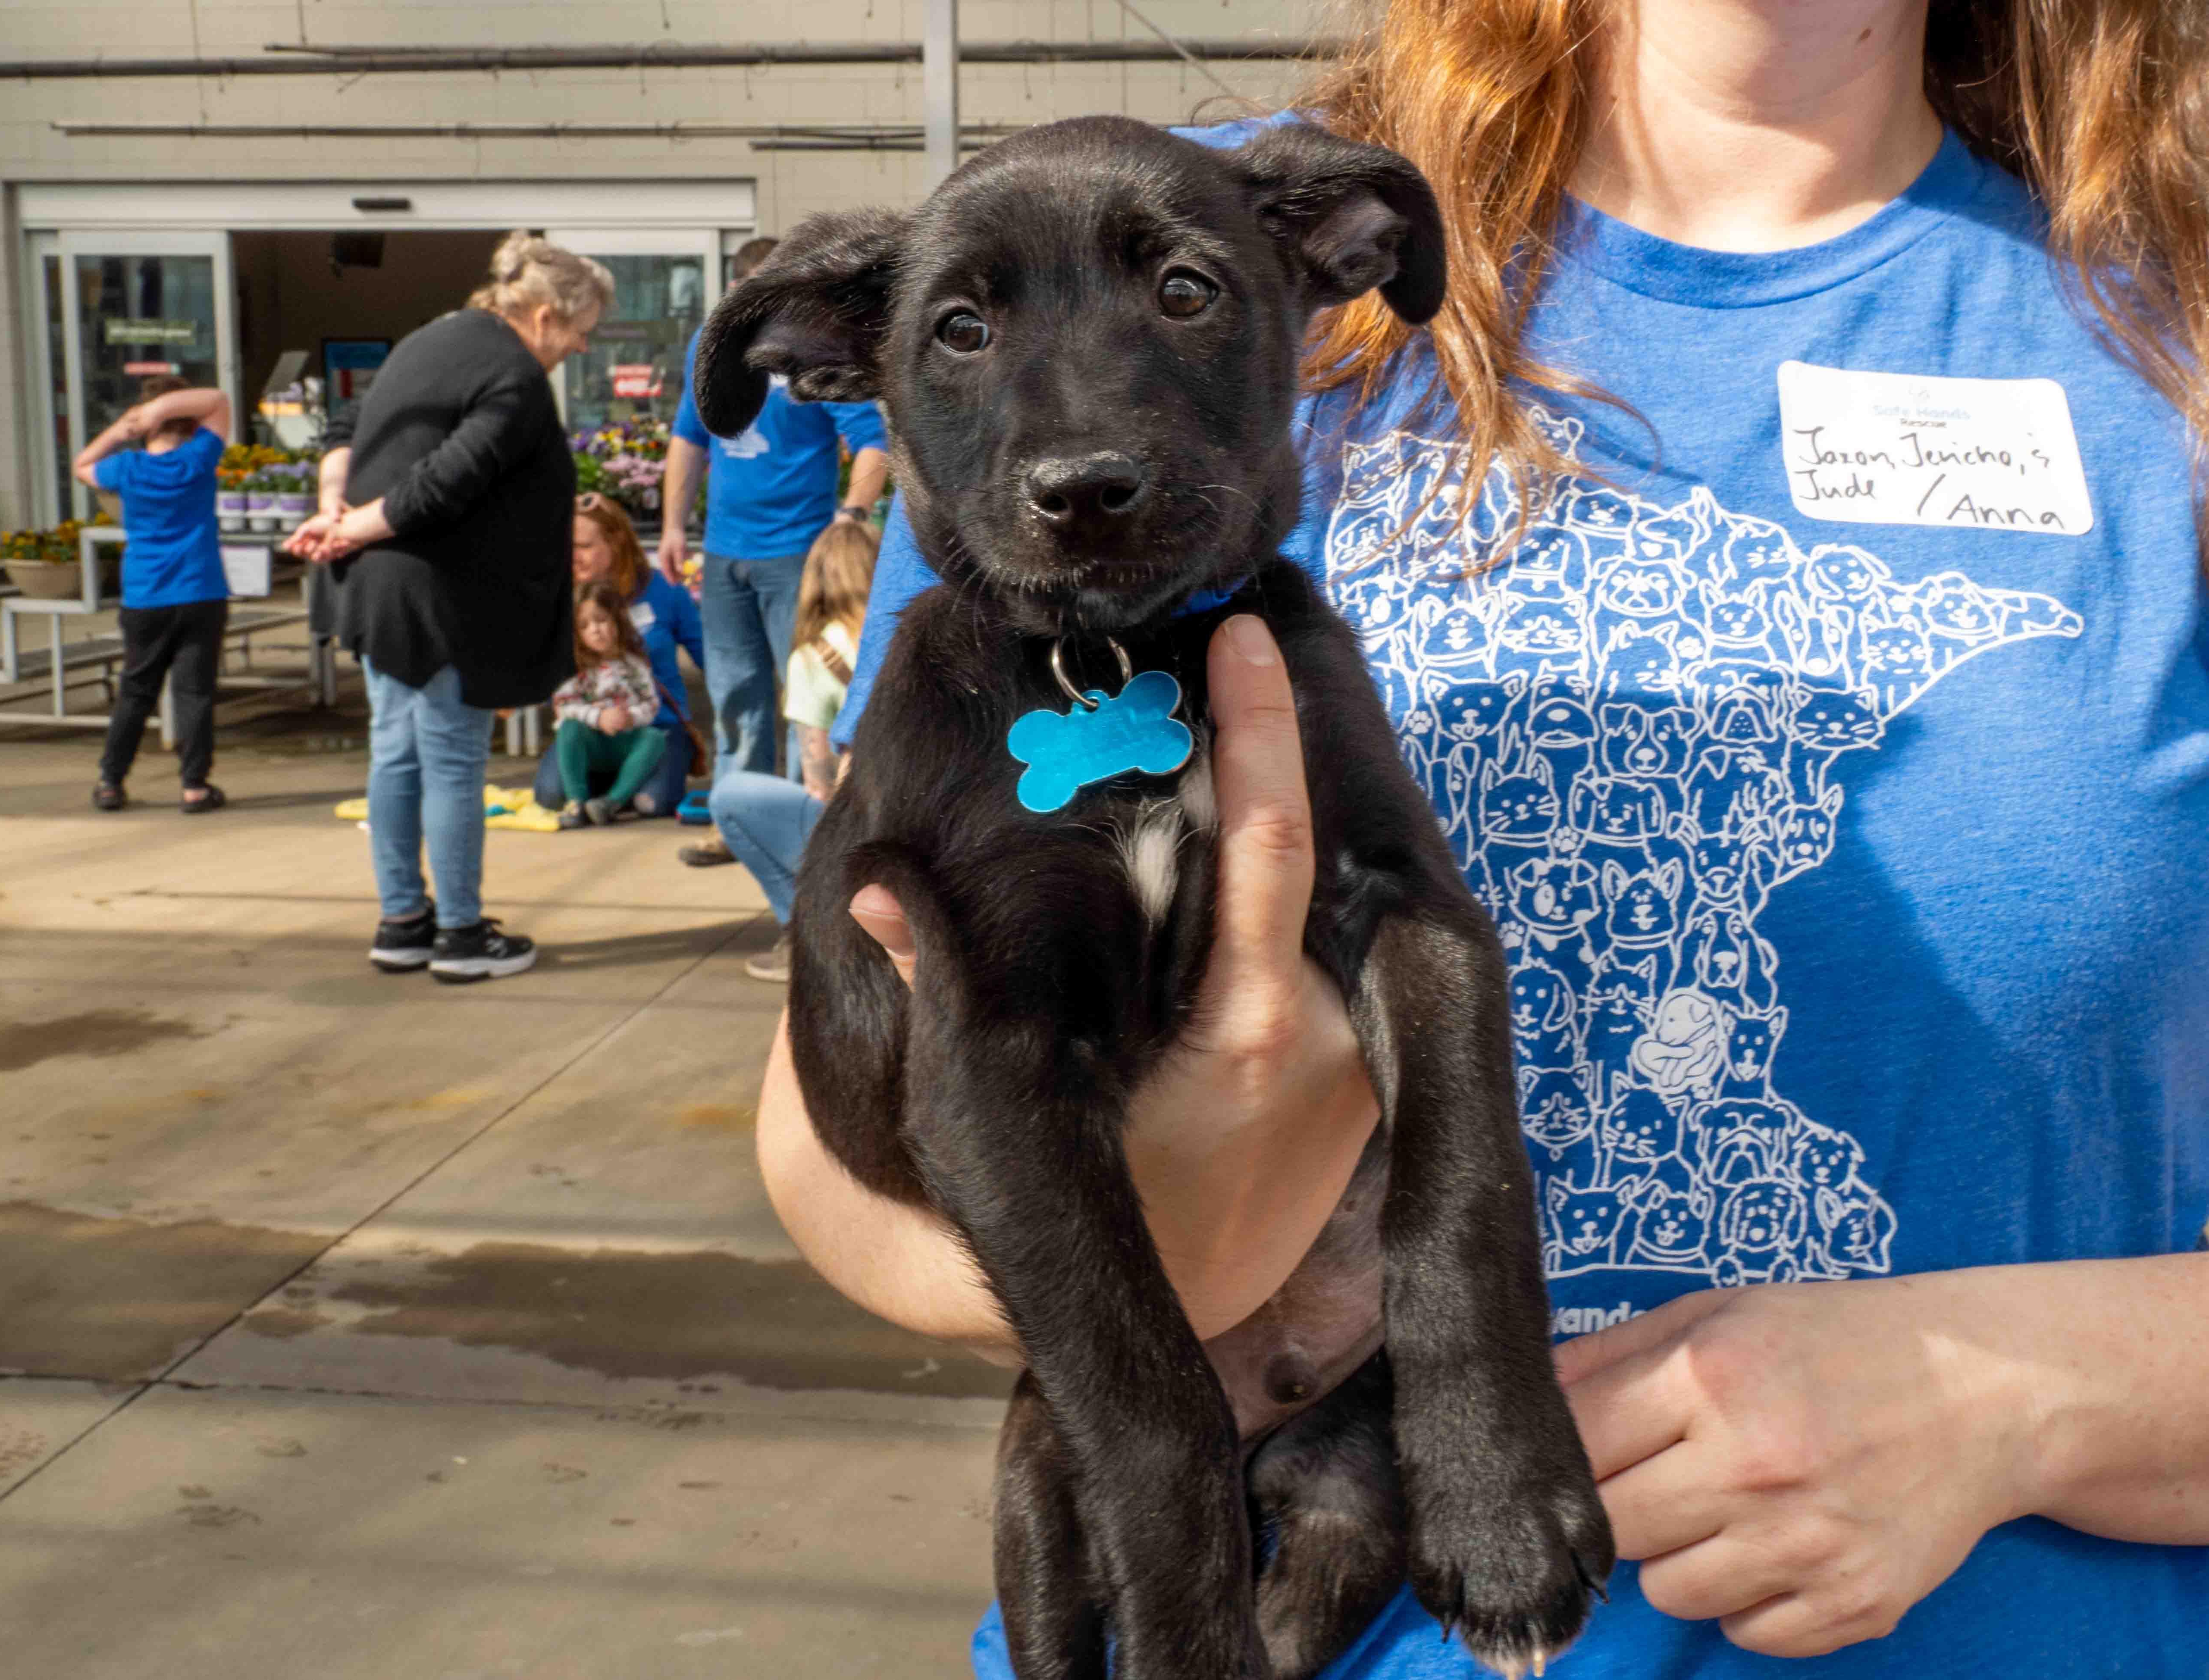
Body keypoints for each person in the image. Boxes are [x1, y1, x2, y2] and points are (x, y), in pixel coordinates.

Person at [759, 0, 2209, 1673]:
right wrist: (1171, 1236)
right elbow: (831, 1120)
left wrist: (2020, 1390)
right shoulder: (1131, 228)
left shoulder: (2166, 321)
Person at [285, 230, 612, 984]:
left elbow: (346, 425)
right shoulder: (515, 375)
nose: (581, 348)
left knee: (395, 755)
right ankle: (461, 934)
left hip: (380, 593)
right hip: (444, 602)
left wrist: (334, 509)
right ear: (545, 316)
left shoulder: (426, 339)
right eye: (581, 332)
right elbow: (444, 482)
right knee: (452, 763)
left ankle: (403, 922)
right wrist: (346, 530)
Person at [664, 235, 890, 868]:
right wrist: (674, 525)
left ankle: (803, 821)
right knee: (735, 691)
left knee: (804, 694)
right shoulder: (711, 347)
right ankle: (734, 819)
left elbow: (873, 444)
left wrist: (850, 516)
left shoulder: (811, 350)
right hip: (723, 551)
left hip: (797, 550)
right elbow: (688, 438)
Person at [694, 514, 877, 981]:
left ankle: (807, 935)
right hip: (930, 825)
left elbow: (819, 784)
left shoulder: (815, 659)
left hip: (866, 834)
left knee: (731, 796)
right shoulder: (911, 637)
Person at [74, 377, 233, 813]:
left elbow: (82, 465)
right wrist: (162, 410)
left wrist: (123, 428)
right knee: (195, 693)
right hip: (201, 590)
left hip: (145, 595)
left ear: (147, 423)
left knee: (136, 692)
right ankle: (195, 786)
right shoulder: (200, 457)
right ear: (189, 421)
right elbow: (218, 401)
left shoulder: (127, 468)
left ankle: (111, 781)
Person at [532, 492, 705, 817]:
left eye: (584, 547)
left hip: (656, 728)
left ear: (617, 541)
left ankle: (619, 792)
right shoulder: (559, 596)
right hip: (589, 729)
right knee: (549, 796)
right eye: (568, 547)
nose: (573, 557)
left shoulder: (664, 589)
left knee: (652, 804)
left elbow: (709, 656)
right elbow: (544, 676)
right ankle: (603, 795)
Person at [548, 582, 667, 829]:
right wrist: (598, 717)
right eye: (584, 626)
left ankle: (611, 803)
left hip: (624, 741)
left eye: (601, 620)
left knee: (654, 739)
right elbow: (563, 705)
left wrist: (631, 717)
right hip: (591, 742)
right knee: (570, 730)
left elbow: (651, 703)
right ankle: (576, 802)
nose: (595, 630)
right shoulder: (575, 667)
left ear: (618, 620)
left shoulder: (634, 664)